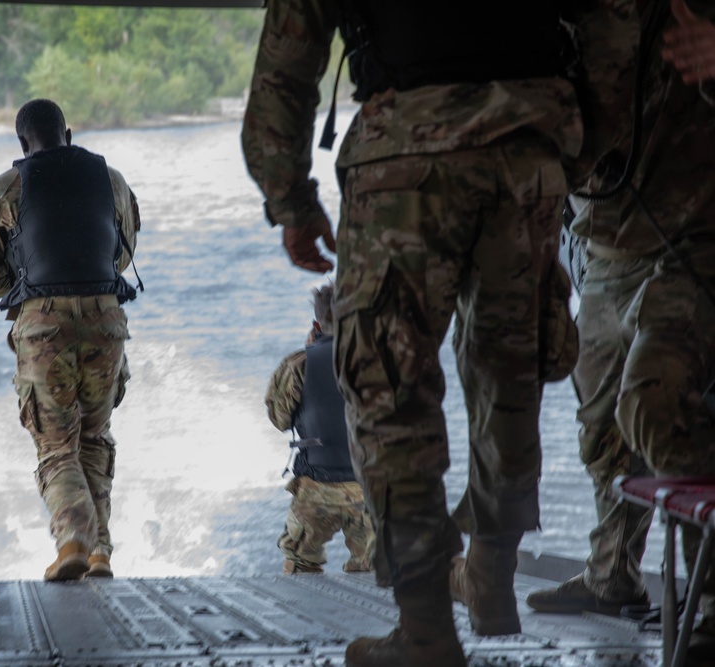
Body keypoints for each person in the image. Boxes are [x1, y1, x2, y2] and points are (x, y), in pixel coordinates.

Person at [242, 1, 582, 664]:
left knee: (387, 389)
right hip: (527, 150)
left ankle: (425, 627)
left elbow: (287, 63)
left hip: (406, 153)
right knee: (511, 374)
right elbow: (608, 25)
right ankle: (489, 571)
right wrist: (578, 147)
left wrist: (291, 199)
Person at [525, 1, 715, 661]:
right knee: (603, 424)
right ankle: (612, 575)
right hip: (604, 243)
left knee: (656, 402)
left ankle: (712, 597)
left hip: (694, 241)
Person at [0, 99, 140, 582]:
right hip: (106, 319)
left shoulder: (5, 189)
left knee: (56, 446)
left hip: (43, 324)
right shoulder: (111, 179)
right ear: (68, 134)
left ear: (23, 143)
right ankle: (100, 553)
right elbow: (122, 255)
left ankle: (72, 542)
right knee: (94, 436)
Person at [265, 283, 374, 575]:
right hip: (369, 490)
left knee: (301, 563)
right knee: (373, 569)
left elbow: (280, 420)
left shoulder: (297, 365)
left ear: (317, 324)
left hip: (316, 488)